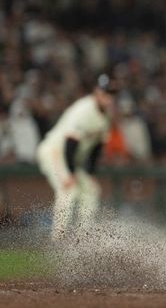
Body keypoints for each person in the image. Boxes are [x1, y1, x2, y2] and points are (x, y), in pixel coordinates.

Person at [36, 74, 117, 240]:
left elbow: (97, 147)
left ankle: (82, 239)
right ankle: (58, 239)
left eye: (112, 93)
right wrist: (71, 173)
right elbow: (70, 143)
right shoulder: (84, 109)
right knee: (68, 187)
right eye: (106, 92)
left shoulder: (106, 115)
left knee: (92, 190)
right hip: (54, 153)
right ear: (97, 92)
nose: (109, 97)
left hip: (70, 159)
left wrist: (91, 174)